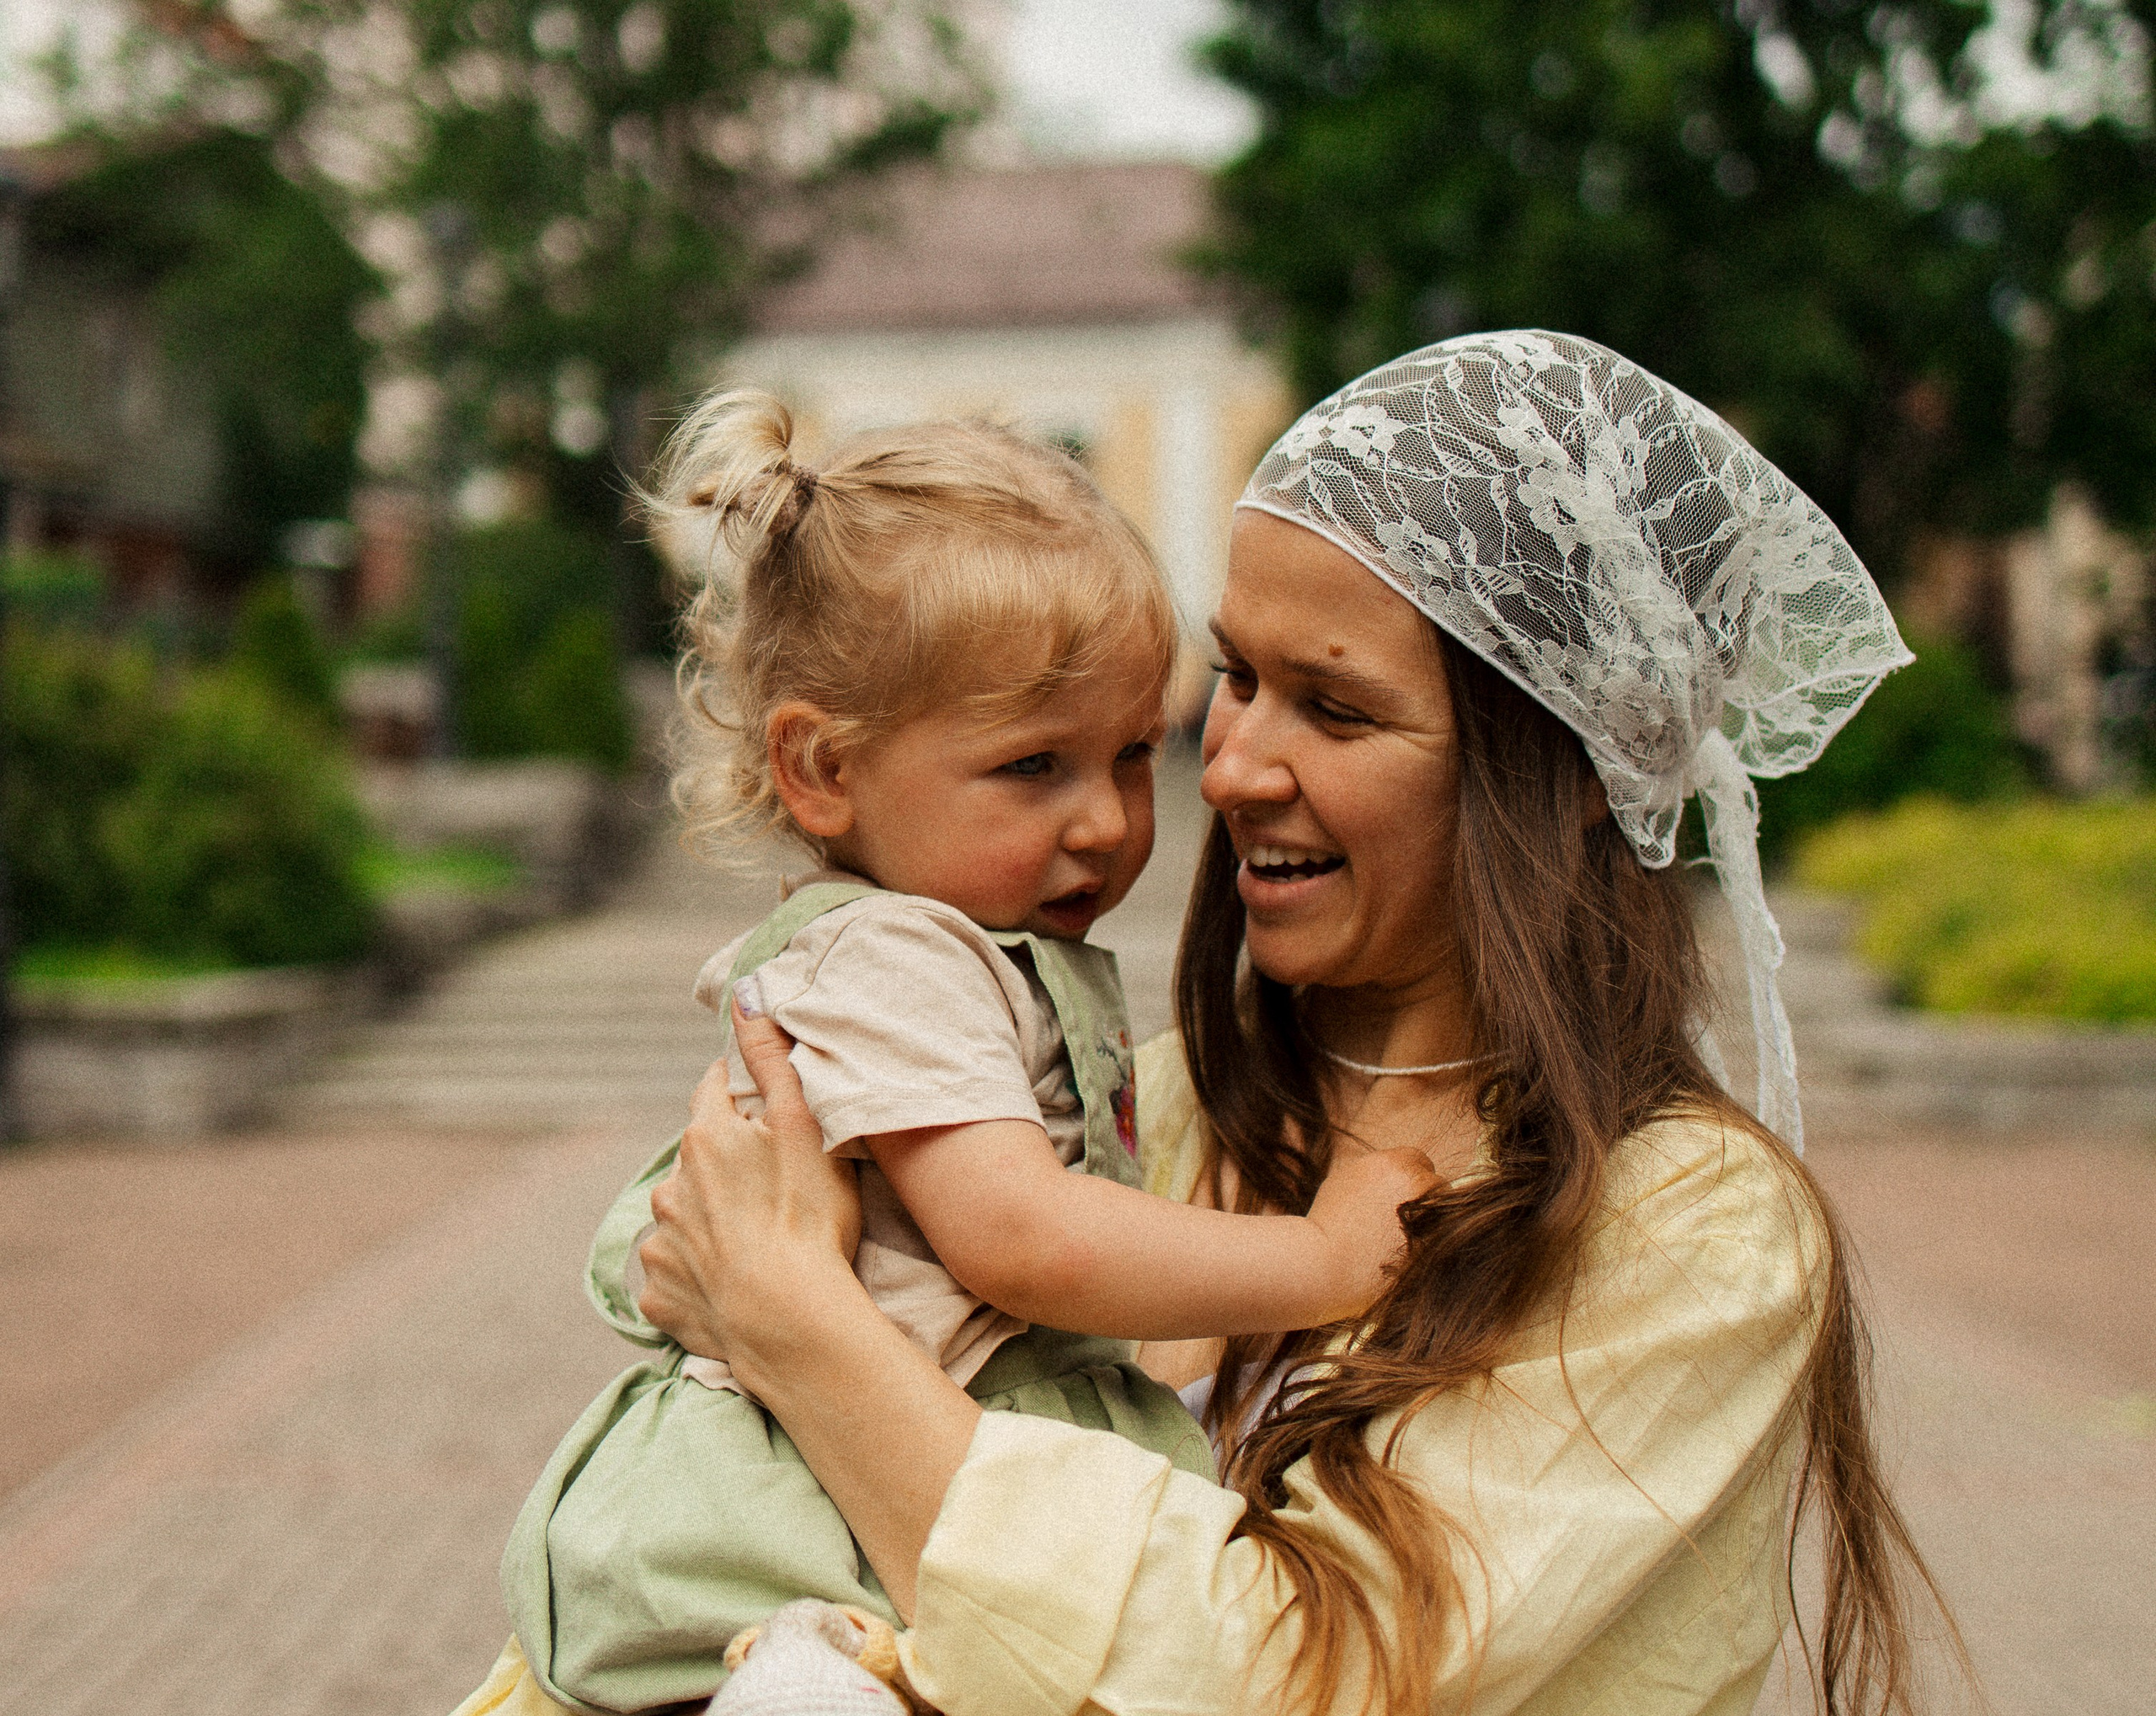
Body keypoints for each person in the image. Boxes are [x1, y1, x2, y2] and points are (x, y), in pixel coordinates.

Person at [473, 395, 1435, 1716]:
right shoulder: (890, 963)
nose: (1104, 819)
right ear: (820, 770)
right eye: (1034, 765)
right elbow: (1017, 1235)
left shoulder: (974, 953)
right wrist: (1325, 1262)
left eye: (1129, 755)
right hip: (789, 1535)